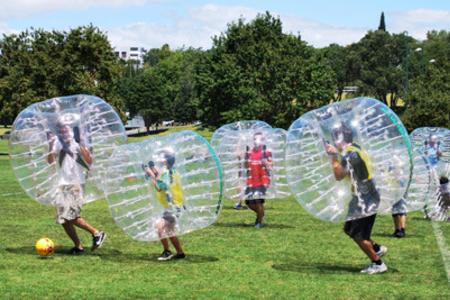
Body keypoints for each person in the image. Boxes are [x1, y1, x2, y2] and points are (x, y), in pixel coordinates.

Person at [325, 123, 388, 274]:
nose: (334, 142)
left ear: (340, 138)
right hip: (362, 196)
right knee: (349, 228)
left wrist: (333, 157)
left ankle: (378, 263)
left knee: (358, 235)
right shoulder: (355, 149)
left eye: (335, 139)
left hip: (366, 197)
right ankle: (377, 249)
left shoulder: (350, 154)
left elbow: (339, 176)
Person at [47, 122, 106, 255]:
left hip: (76, 184)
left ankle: (97, 233)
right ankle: (78, 246)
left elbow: (89, 160)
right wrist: (50, 144)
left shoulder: (76, 142)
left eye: (66, 129)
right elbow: (50, 161)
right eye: (61, 130)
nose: (64, 132)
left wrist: (80, 143)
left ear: (70, 129)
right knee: (62, 218)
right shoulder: (57, 142)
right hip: (62, 184)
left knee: (72, 216)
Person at [143, 150, 186, 261]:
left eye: (162, 158)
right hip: (175, 206)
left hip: (173, 207)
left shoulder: (167, 173)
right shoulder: (172, 171)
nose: (159, 159)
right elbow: (160, 177)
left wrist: (151, 175)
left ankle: (167, 251)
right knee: (169, 230)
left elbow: (159, 186)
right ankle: (180, 252)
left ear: (166, 161)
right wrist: (152, 171)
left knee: (159, 226)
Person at [244, 132, 272, 228]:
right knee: (249, 203)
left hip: (262, 180)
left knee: (258, 201)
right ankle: (261, 213)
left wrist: (265, 162)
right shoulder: (249, 152)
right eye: (255, 139)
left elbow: (271, 165)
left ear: (263, 141)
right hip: (251, 180)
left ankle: (259, 221)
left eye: (259, 139)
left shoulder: (266, 152)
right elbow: (245, 166)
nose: (257, 141)